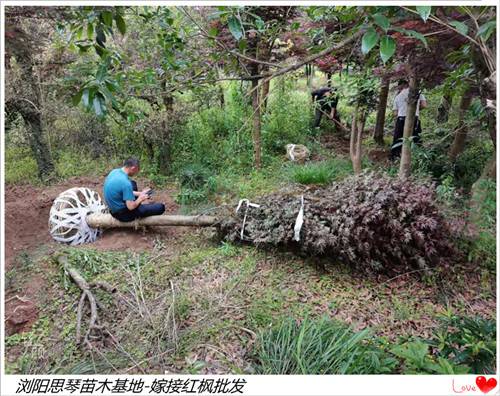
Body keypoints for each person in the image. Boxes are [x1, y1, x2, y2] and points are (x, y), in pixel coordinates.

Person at [103, 158, 165, 222]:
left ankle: (137, 204)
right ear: (133, 168)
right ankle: (139, 208)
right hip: (122, 215)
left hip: (113, 208)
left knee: (133, 183)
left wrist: (140, 193)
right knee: (161, 207)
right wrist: (140, 199)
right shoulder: (126, 183)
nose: (137, 172)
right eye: (137, 170)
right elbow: (130, 207)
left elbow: (121, 191)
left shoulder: (115, 171)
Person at [390, 79, 427, 160]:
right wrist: (415, 110)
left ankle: (395, 157)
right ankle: (419, 157)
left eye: (399, 87)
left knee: (398, 138)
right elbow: (424, 105)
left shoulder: (398, 96)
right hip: (414, 118)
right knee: (416, 137)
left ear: (403, 85)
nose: (399, 89)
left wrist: (402, 110)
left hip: (401, 119)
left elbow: (395, 113)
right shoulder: (418, 92)